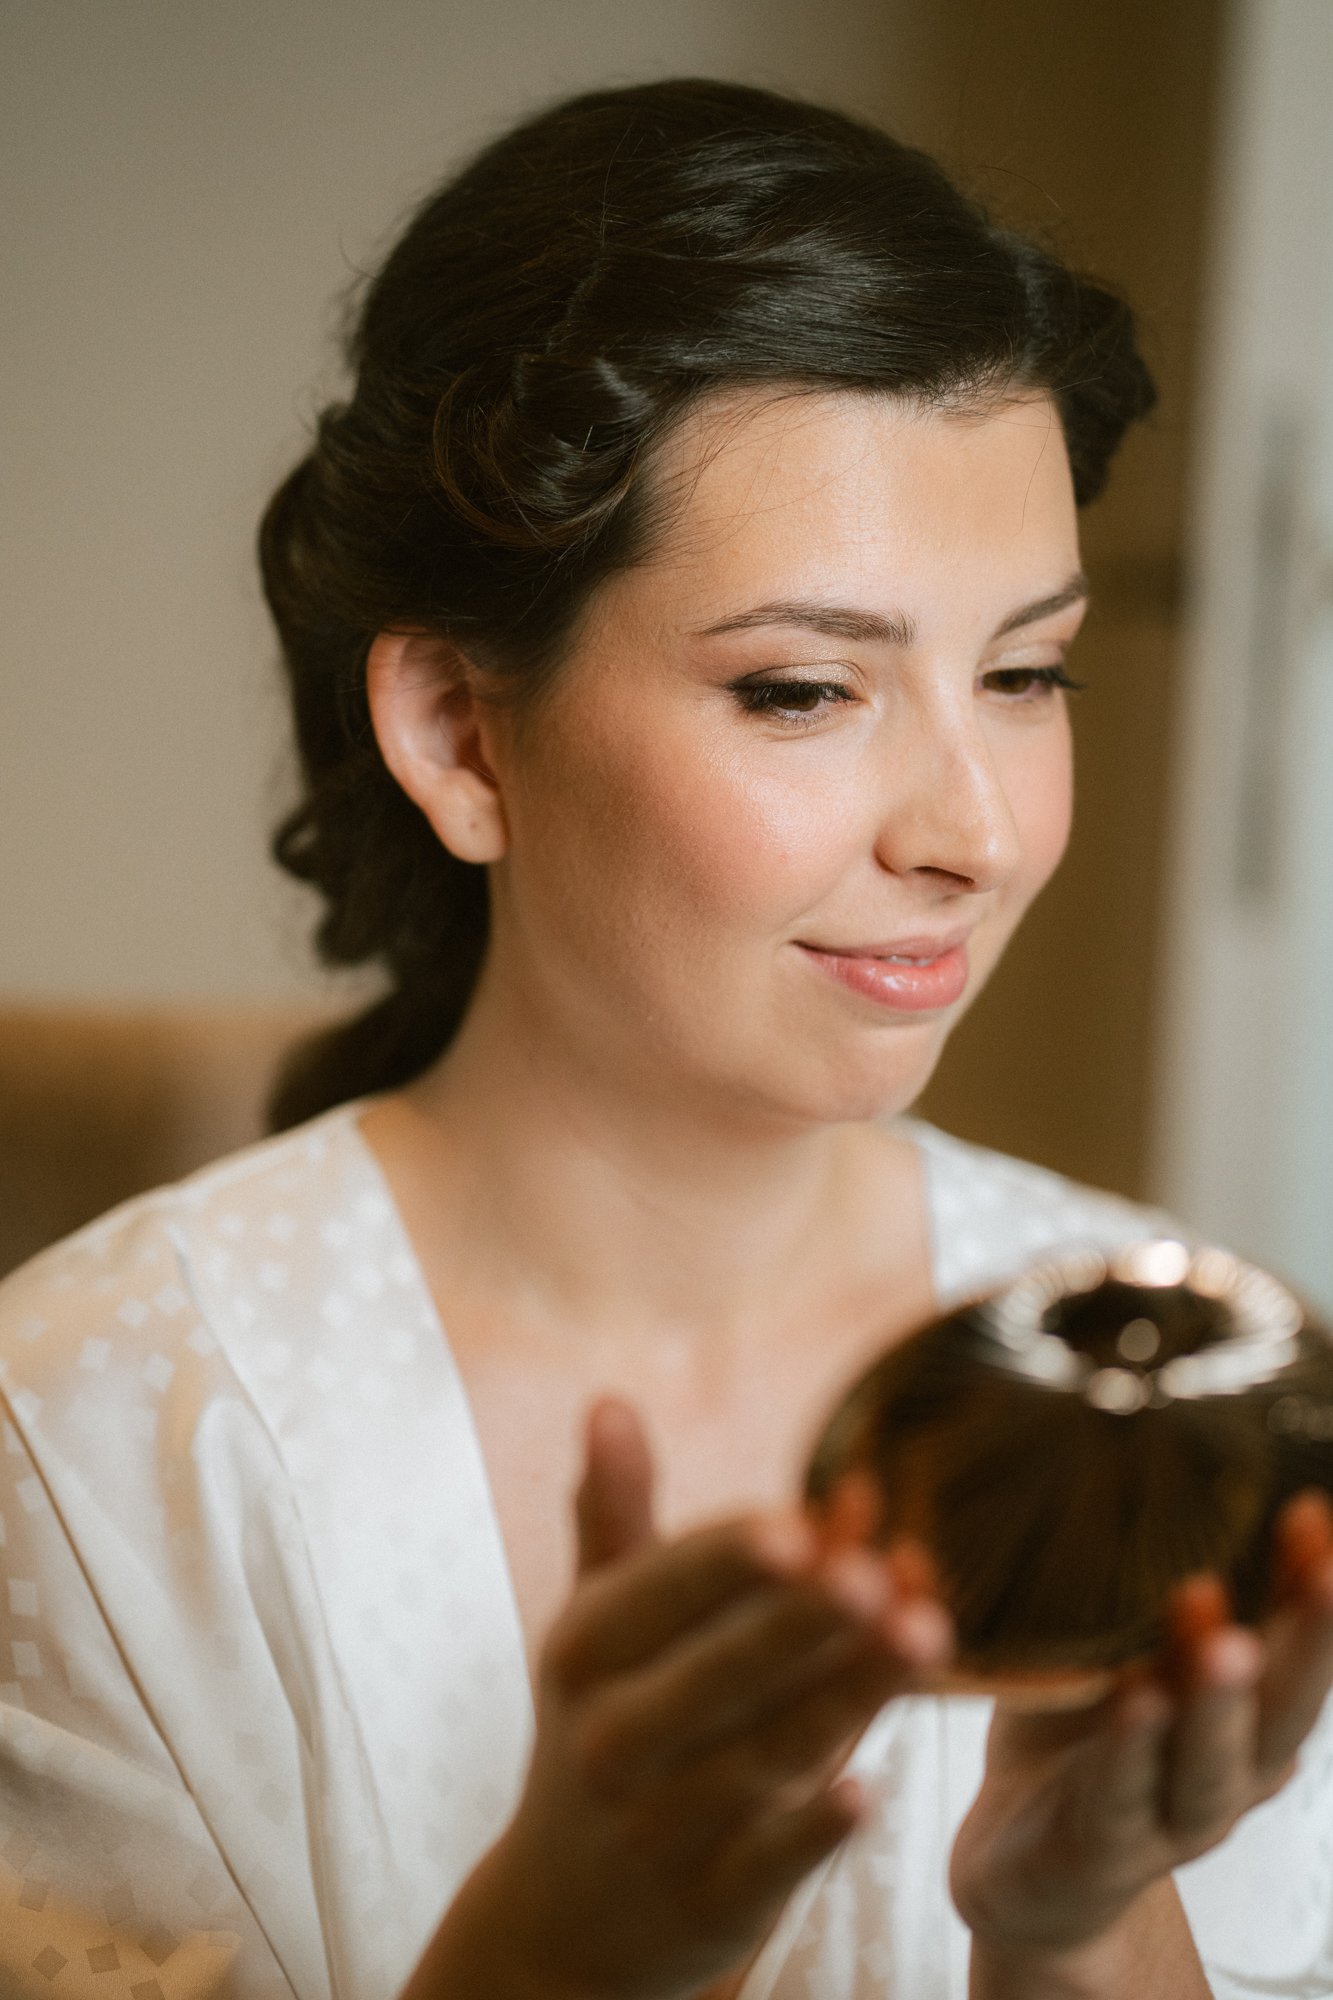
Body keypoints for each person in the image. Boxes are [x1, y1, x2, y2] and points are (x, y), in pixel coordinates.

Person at [3, 77, 1333, 2000]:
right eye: (802, 689)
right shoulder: (98, 1450)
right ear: (462, 733)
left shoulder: (1161, 1397)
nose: (971, 830)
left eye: (1025, 672)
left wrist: (1070, 1925)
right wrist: (570, 1951)